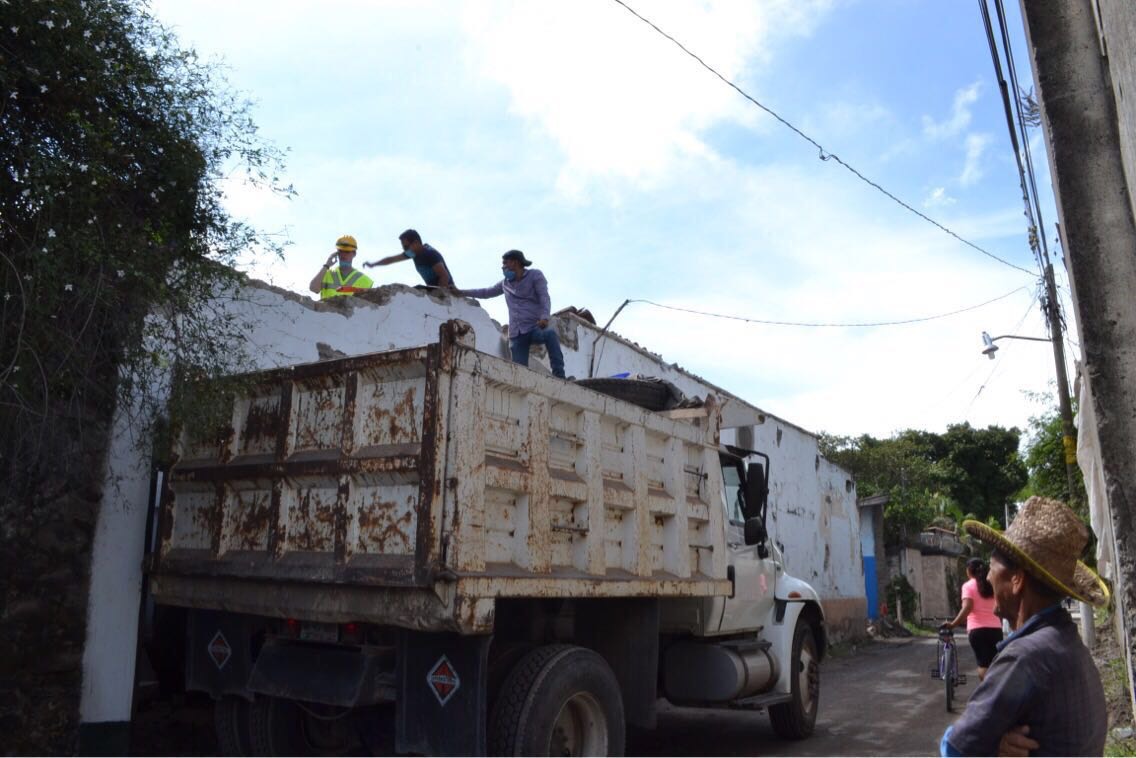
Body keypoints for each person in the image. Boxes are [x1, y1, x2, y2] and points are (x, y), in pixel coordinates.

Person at [939, 496, 1110, 756]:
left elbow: (955, 749)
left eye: (992, 567)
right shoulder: (1067, 641)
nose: (988, 577)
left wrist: (987, 743)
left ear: (1017, 579)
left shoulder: (1025, 657)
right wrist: (994, 742)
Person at [454, 250, 566, 378]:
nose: (503, 267)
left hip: (534, 327)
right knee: (520, 372)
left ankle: (559, 375)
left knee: (550, 334)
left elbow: (544, 297)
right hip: (516, 335)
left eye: (505, 263)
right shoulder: (505, 283)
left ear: (515, 262)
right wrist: (461, 292)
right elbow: (486, 292)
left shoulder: (535, 275)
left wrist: (544, 317)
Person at [943, 558, 1003, 681]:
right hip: (996, 630)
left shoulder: (968, 586)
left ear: (969, 571)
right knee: (995, 664)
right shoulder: (992, 584)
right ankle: (995, 689)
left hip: (977, 631)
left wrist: (953, 624)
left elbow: (967, 608)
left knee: (983, 664)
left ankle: (988, 689)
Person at [363, 229, 454, 287]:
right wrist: (373, 264)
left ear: (416, 243)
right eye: (403, 248)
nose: (405, 250)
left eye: (406, 247)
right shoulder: (413, 253)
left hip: (447, 292)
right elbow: (392, 259)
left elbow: (444, 276)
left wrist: (439, 295)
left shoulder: (430, 254)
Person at [309, 234, 374, 300]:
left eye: (347, 252)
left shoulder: (364, 280)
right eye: (340, 251)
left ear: (354, 254)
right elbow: (313, 288)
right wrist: (326, 265)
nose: (343, 255)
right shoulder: (327, 274)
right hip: (328, 307)